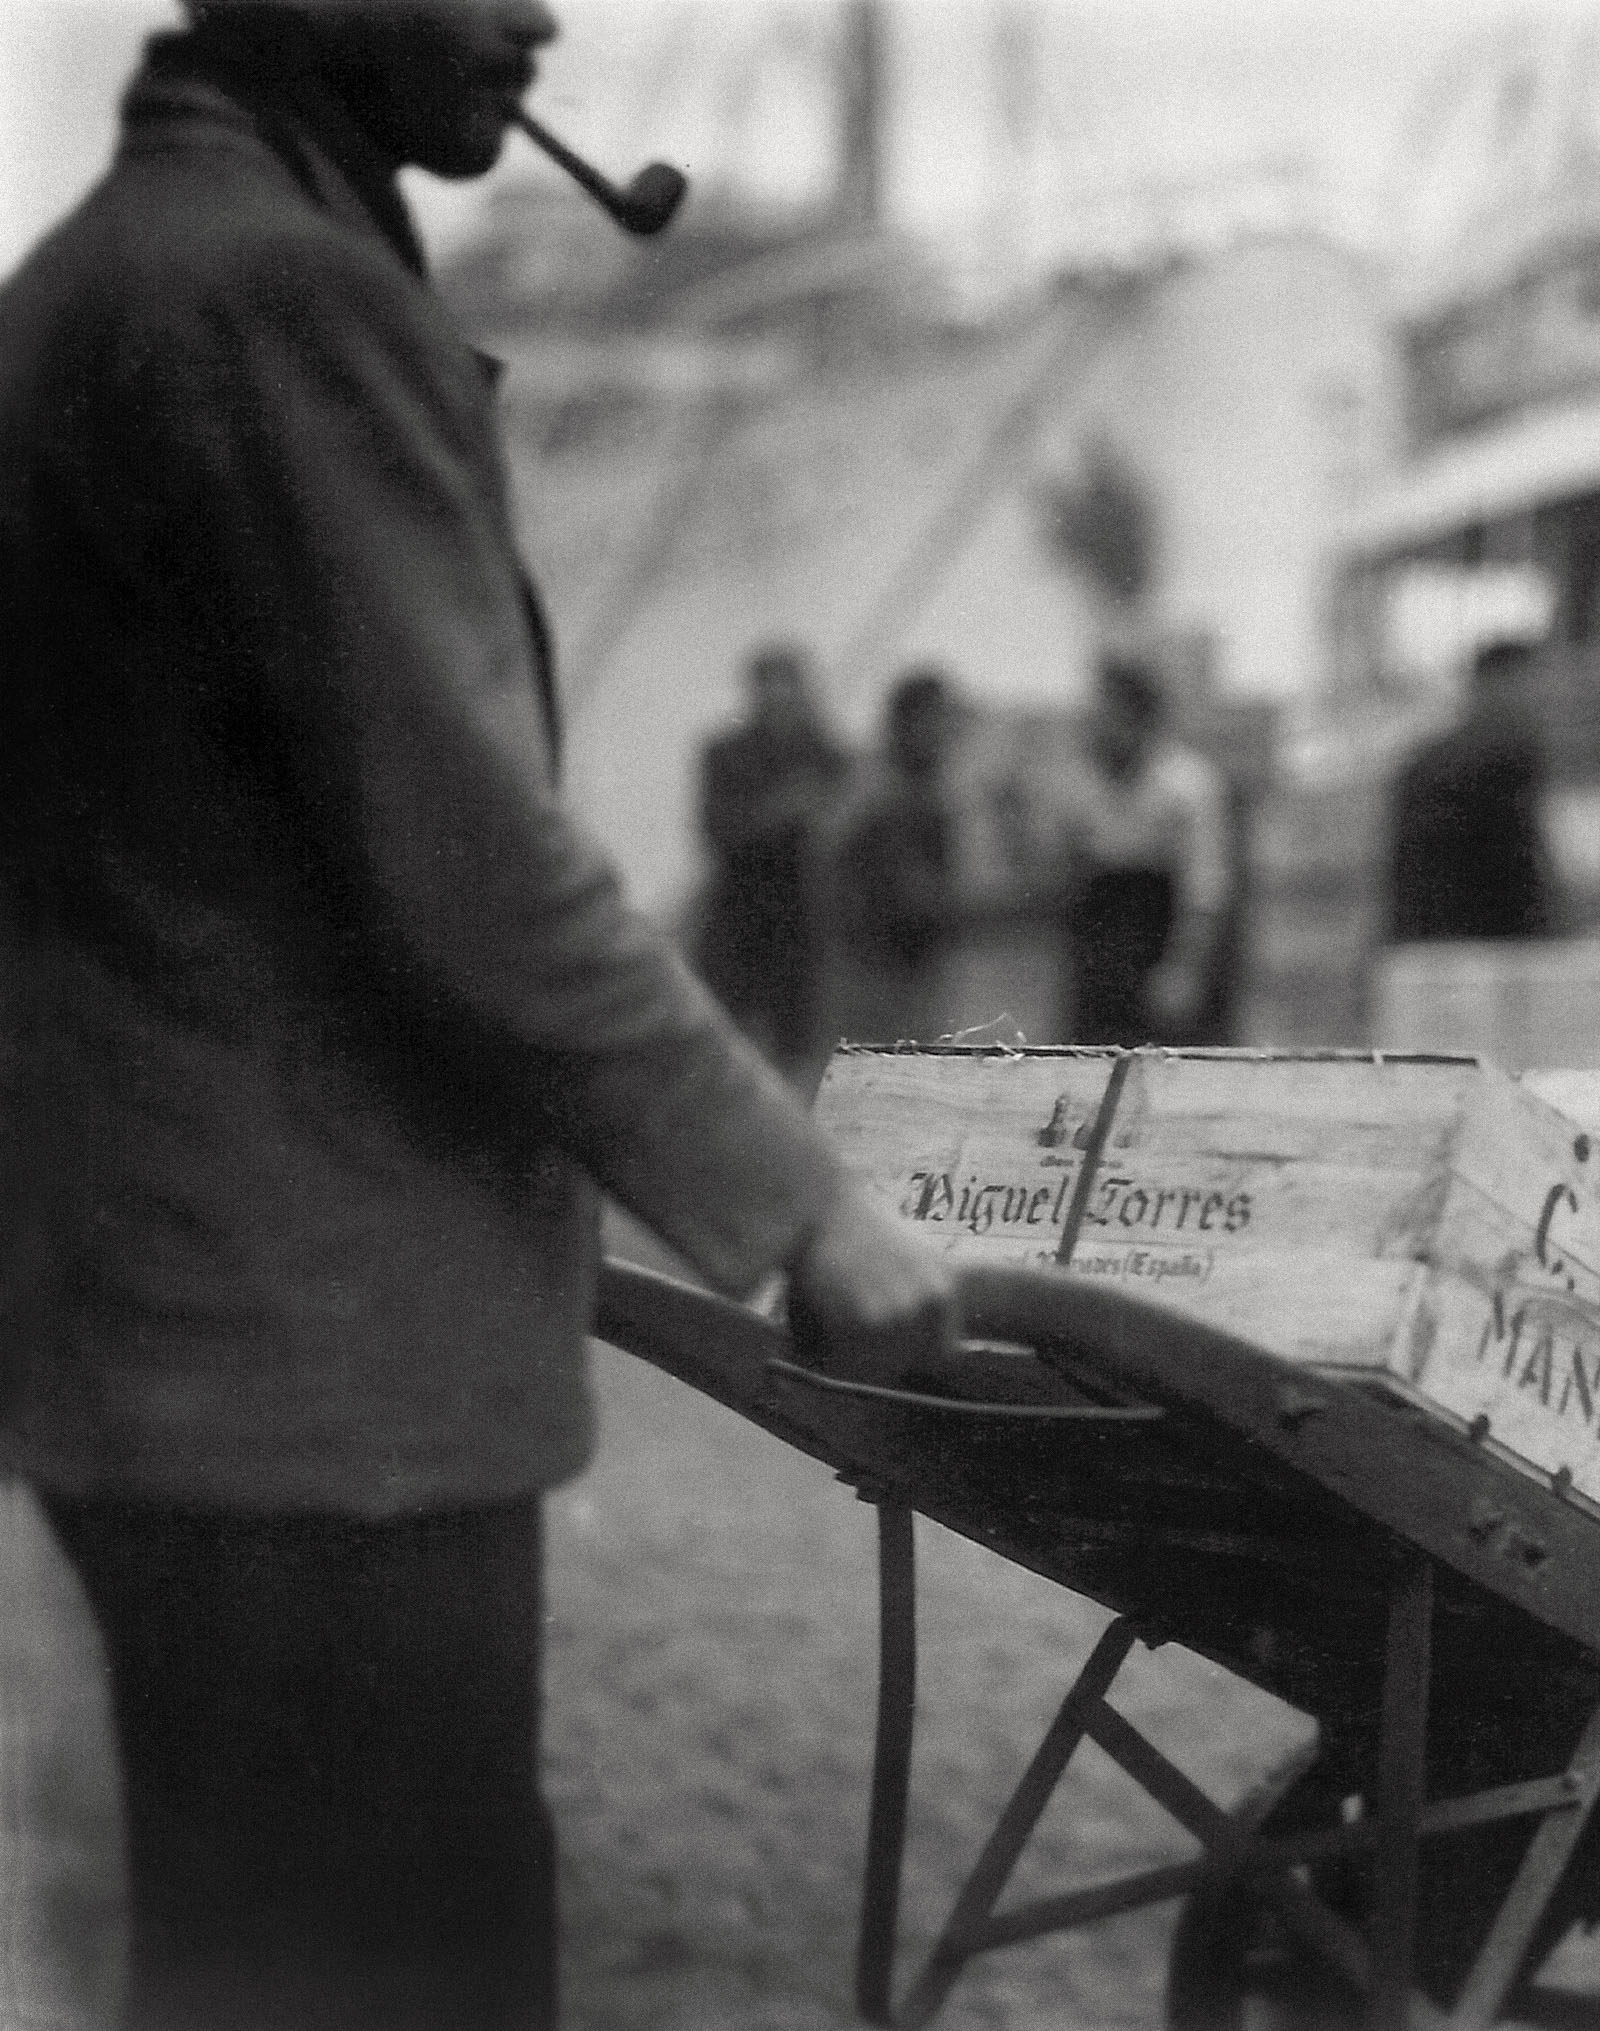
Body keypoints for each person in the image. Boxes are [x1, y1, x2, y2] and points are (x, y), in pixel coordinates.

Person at [0, 7, 949, 2030]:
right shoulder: (279, 299)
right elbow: (483, 872)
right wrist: (804, 1208)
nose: (537, 21)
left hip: (153, 1343)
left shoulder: (94, 277)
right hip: (318, 1388)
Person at [1047, 654, 1232, 1045]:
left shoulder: (1188, 784)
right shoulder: (1079, 782)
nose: (1100, 726)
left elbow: (1205, 891)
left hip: (1161, 947)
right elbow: (1063, 871)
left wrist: (1185, 970)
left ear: (1141, 718)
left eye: (1112, 715)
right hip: (1100, 957)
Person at [692, 641, 851, 1080]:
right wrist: (783, 809)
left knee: (800, 1056)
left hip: (801, 928)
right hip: (739, 924)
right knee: (731, 1053)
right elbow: (718, 833)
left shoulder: (825, 752)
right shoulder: (727, 753)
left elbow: (845, 823)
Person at [822, 667, 963, 1048]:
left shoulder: (937, 785)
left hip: (918, 956)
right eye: (932, 719)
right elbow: (832, 857)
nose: (940, 732)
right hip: (869, 959)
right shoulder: (872, 784)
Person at [1386, 637, 1557, 943]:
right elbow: (1519, 876)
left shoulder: (1424, 760)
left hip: (1424, 945)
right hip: (1483, 950)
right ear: (1499, 683)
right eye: (1532, 685)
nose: (1540, 700)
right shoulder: (1506, 757)